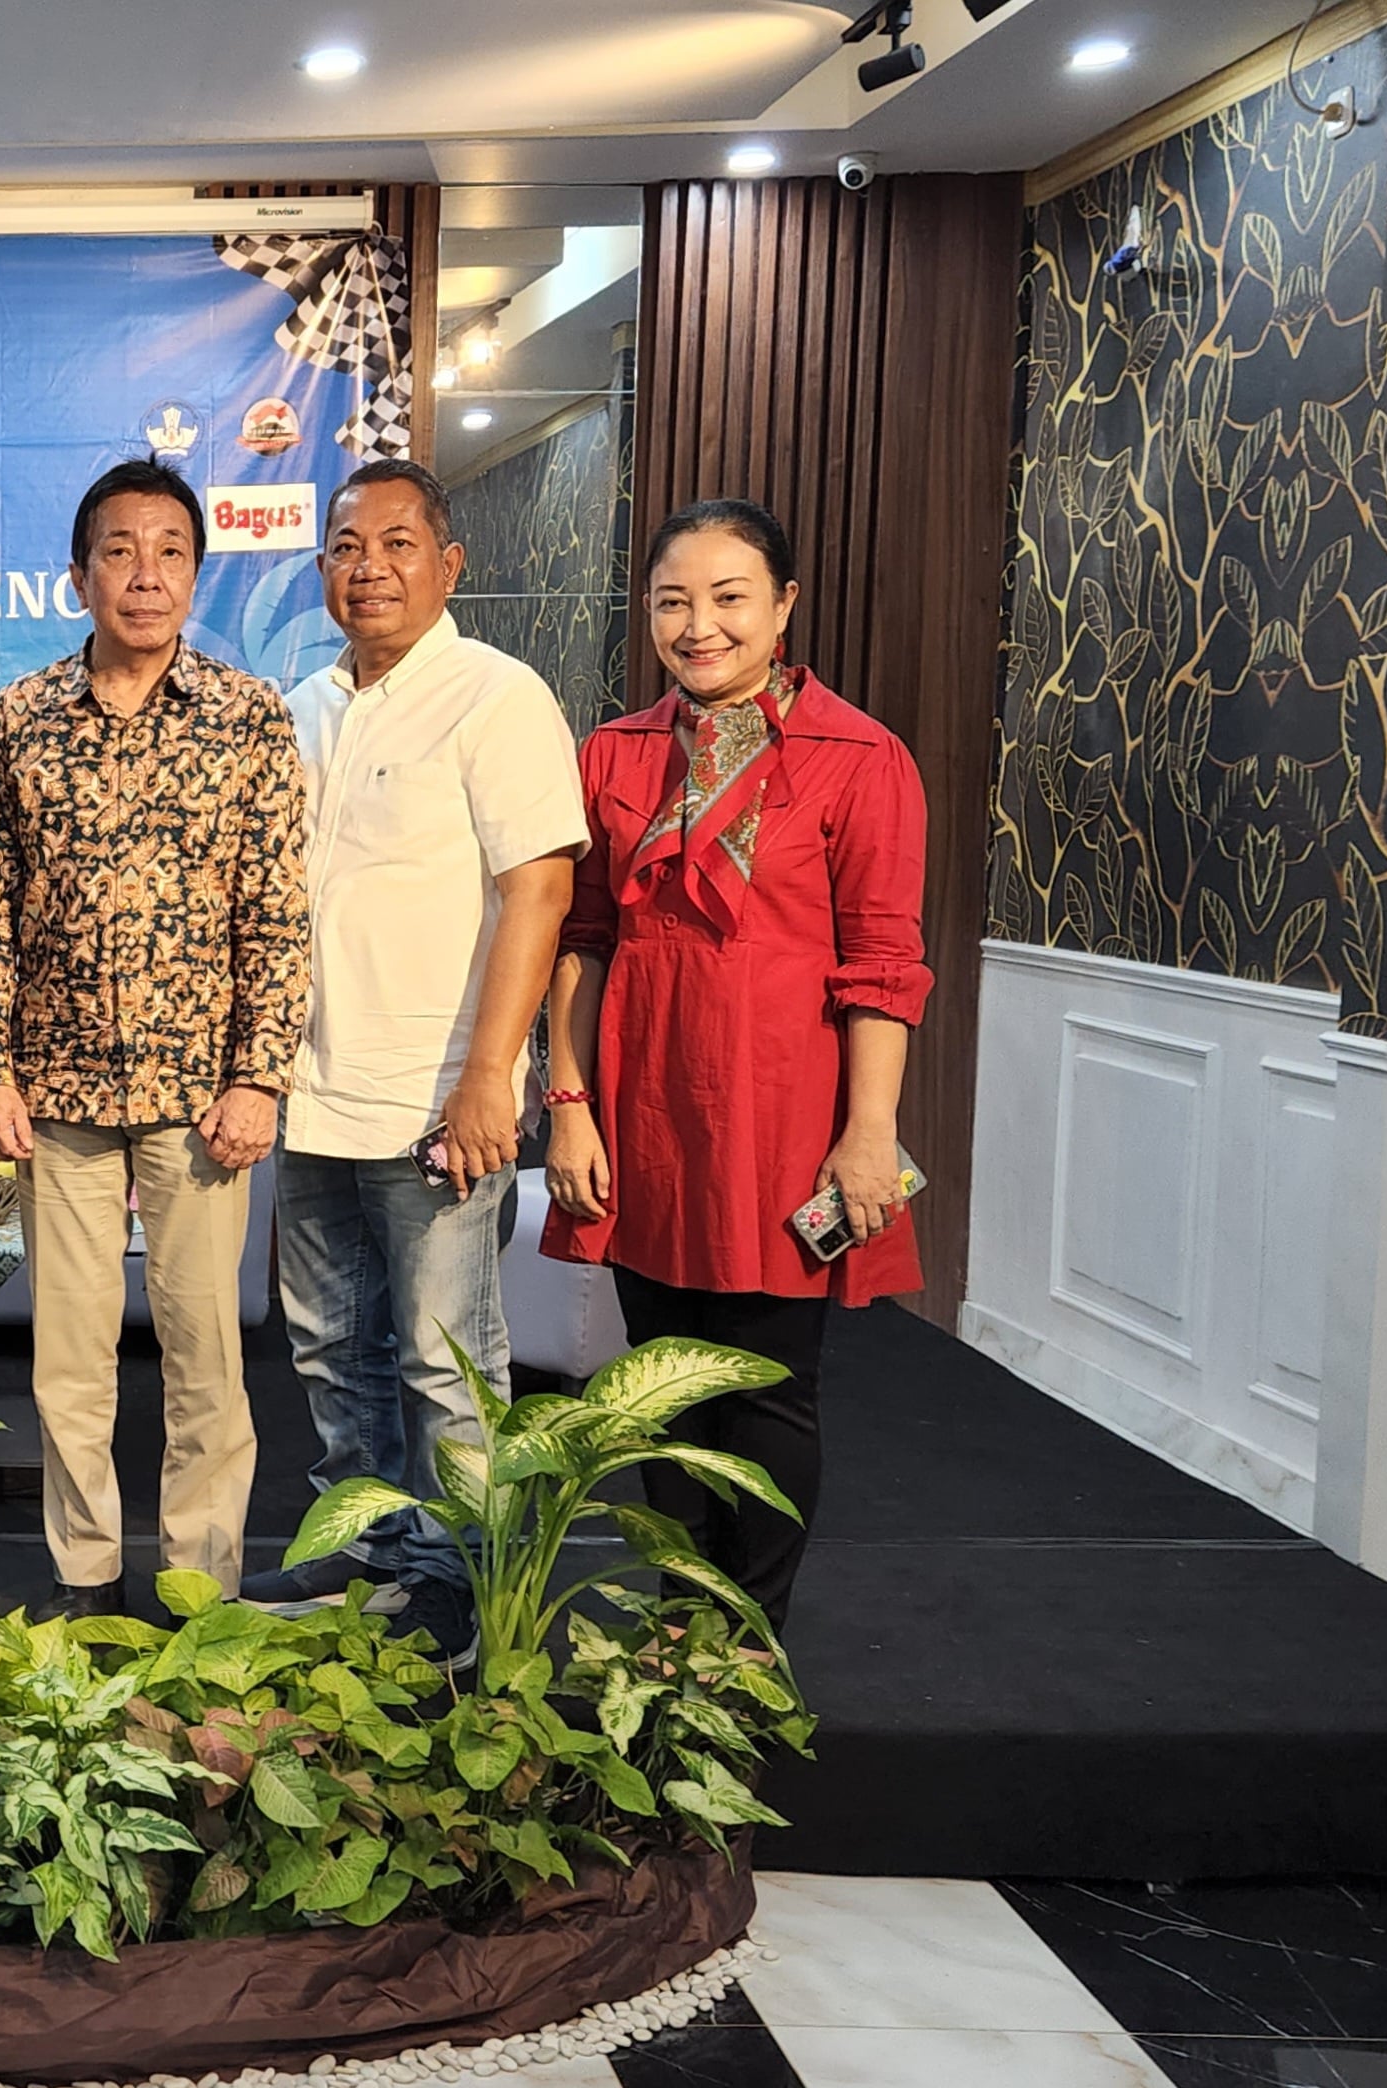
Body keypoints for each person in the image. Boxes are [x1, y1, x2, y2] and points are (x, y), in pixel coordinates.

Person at [540, 496, 930, 1631]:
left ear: (783, 605)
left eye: (727, 598)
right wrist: (570, 1104)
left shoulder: (860, 756)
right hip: (644, 1112)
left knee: (767, 1391)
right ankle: (678, 1624)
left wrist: (867, 1133)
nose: (697, 625)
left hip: (783, 1118)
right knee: (658, 1386)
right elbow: (583, 939)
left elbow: (883, 965)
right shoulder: (612, 752)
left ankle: (746, 1646)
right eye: (672, 601)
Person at [240, 458, 587, 1673]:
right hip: (311, 1092)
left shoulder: (495, 694)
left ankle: (457, 1577)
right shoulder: (300, 706)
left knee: (447, 1358)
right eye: (346, 545)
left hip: (437, 1096)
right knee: (328, 1345)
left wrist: (490, 1074)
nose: (368, 567)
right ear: (320, 566)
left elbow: (539, 890)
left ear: (448, 564)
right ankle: (367, 1538)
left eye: (396, 544)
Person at [0, 460, 309, 1619]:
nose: (144, 575)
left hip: (200, 1096)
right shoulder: (18, 719)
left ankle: (199, 1585)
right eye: (119, 551)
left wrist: (259, 1074)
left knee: (205, 1356)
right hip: (54, 1092)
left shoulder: (248, 715)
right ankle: (85, 1578)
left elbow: (275, 912)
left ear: (195, 576)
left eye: (168, 552)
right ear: (79, 575)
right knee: (68, 1361)